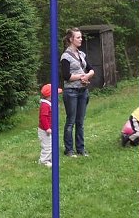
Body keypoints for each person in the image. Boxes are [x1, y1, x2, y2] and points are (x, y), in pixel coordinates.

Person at [60, 27, 95, 157]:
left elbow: (91, 69)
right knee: (71, 121)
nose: (81, 39)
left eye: (81, 37)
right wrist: (82, 77)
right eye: (78, 37)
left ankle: (81, 149)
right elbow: (66, 76)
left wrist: (87, 75)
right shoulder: (65, 56)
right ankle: (69, 150)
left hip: (83, 91)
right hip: (71, 92)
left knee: (80, 122)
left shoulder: (82, 54)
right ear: (71, 39)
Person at [37, 84, 60, 167]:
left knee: (51, 144)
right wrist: (47, 128)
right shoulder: (45, 106)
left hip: (48, 129)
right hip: (45, 130)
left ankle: (49, 159)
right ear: (50, 96)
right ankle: (44, 161)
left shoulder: (49, 104)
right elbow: (43, 118)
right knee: (47, 146)